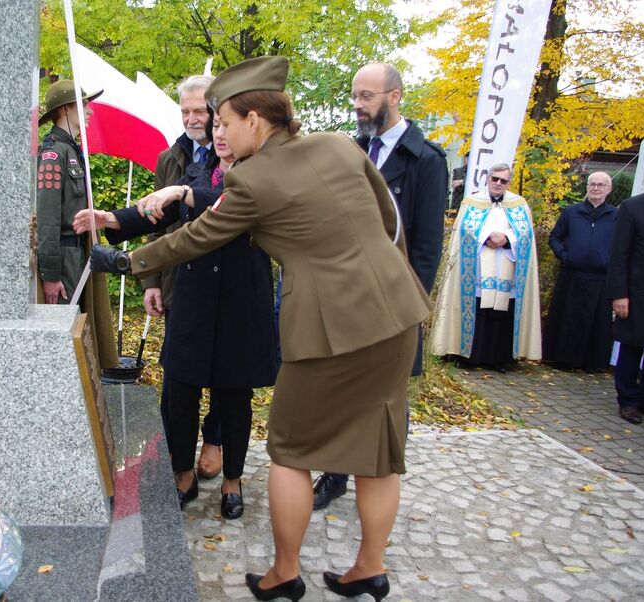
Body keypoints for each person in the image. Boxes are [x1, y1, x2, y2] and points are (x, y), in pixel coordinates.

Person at [87, 55, 430, 602]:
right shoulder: (340, 145)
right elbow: (389, 220)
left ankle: (284, 575)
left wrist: (128, 262)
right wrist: (392, 280)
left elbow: (198, 237)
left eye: (225, 120)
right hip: (397, 310)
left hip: (328, 325)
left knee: (292, 451)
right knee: (379, 450)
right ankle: (370, 567)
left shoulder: (251, 179)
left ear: (254, 119)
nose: (219, 131)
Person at [73, 114, 277, 519]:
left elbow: (219, 203)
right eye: (216, 127)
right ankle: (183, 474)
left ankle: (232, 481)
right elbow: (160, 211)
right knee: (180, 391)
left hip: (240, 303)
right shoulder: (199, 171)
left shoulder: (260, 174)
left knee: (234, 396)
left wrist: (182, 193)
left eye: (227, 126)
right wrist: (112, 219)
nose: (220, 134)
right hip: (193, 299)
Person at [312, 62, 448, 512]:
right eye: (354, 96)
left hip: (392, 304)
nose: (357, 104)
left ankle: (379, 484)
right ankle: (335, 476)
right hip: (344, 297)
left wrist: (408, 309)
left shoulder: (425, 161)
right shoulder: (351, 151)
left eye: (366, 96)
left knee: (386, 401)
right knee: (339, 391)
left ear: (394, 96)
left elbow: (426, 248)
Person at [146, 75, 224, 480]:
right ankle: (177, 454)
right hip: (179, 280)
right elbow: (156, 224)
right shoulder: (169, 157)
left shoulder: (234, 154)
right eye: (185, 111)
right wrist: (151, 281)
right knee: (178, 374)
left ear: (215, 110)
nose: (192, 119)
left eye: (199, 111)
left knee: (225, 373)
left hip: (224, 281)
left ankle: (215, 439)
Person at [36, 79, 117, 368]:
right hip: (64, 256)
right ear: (66, 109)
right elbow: (47, 218)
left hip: (78, 253)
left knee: (79, 327)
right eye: (83, 105)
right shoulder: (53, 154)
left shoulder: (71, 150)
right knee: (63, 332)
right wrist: (50, 274)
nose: (90, 111)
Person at [431, 163, 542, 370]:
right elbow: (464, 230)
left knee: (501, 312)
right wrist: (487, 236)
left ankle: (499, 359)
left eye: (503, 180)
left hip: (507, 266)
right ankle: (470, 356)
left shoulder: (519, 204)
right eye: (494, 179)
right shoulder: (472, 202)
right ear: (488, 179)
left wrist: (506, 238)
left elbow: (525, 233)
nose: (498, 183)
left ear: (508, 183)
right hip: (477, 268)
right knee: (478, 308)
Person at [543, 172, 617, 371]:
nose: (596, 188)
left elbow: (622, 245)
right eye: (592, 184)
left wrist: (610, 261)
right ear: (587, 187)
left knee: (596, 323)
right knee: (567, 319)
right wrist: (564, 256)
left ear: (609, 189)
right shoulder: (571, 212)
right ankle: (562, 359)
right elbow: (554, 237)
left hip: (600, 278)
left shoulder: (616, 216)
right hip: (571, 276)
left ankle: (592, 363)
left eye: (601, 185)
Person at [606, 166, 644, 424]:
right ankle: (627, 400)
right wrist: (619, 294)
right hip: (637, 294)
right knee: (632, 348)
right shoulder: (633, 207)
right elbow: (619, 255)